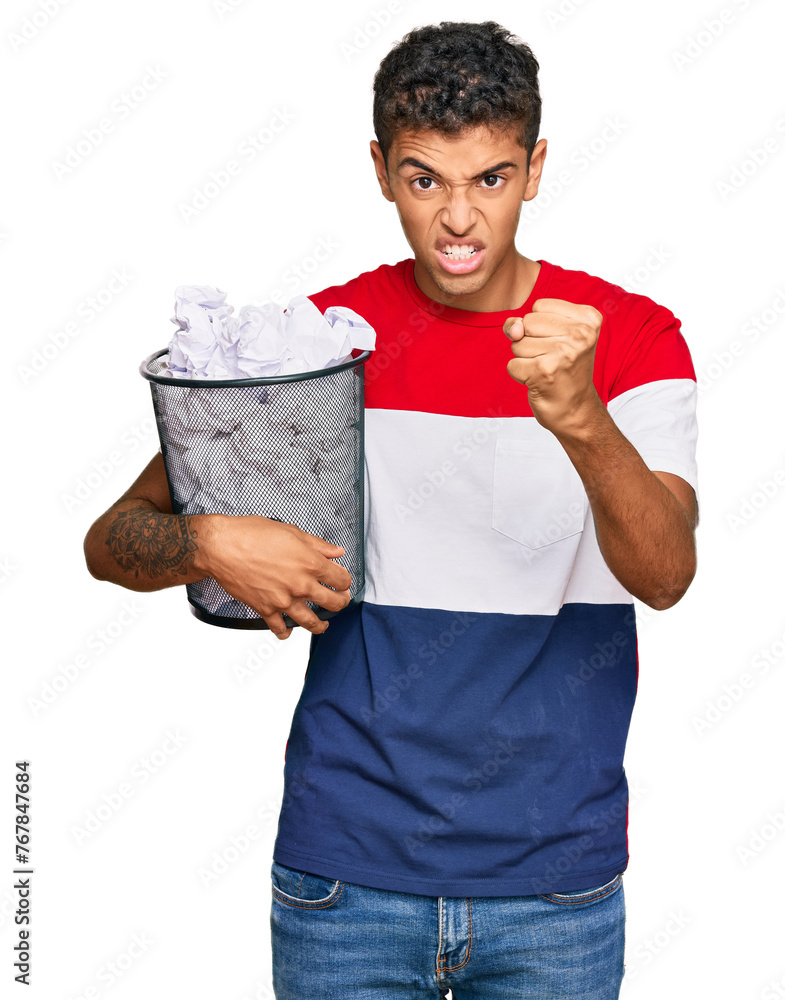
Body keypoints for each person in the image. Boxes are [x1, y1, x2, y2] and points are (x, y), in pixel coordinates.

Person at [84, 20, 699, 999]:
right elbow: (111, 540)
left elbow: (664, 575)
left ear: (534, 167)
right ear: (379, 169)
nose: (457, 218)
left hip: (554, 884)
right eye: (424, 180)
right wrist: (208, 538)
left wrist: (580, 418)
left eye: (489, 178)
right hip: (346, 873)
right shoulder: (321, 342)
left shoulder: (624, 336)